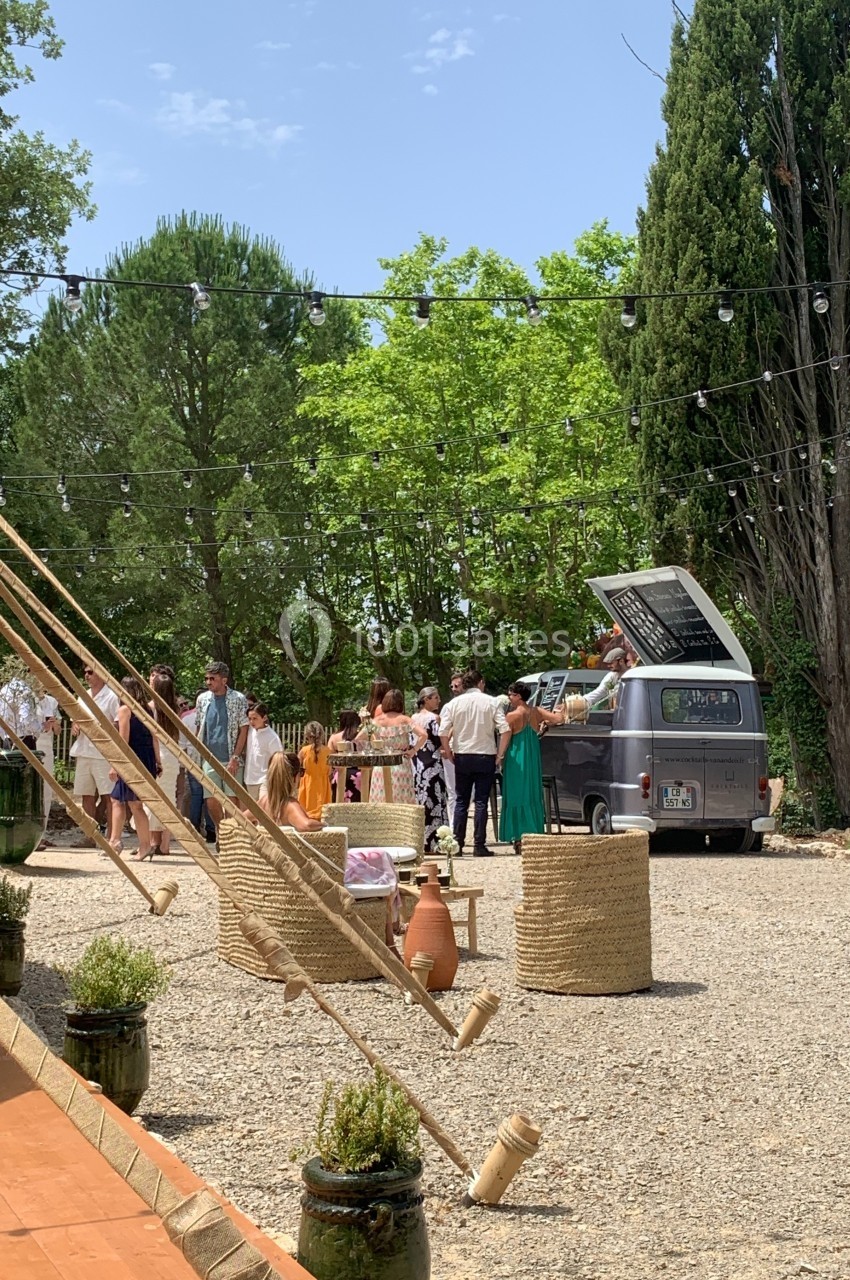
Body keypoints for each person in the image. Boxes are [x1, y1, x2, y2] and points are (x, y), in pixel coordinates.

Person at [439, 669, 509, 857]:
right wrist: (500, 755)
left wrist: (448, 750)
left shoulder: (454, 703)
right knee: (480, 801)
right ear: (481, 683)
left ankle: (458, 844)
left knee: (461, 800)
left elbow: (443, 731)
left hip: (462, 754)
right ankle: (479, 843)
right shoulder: (492, 702)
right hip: (485, 754)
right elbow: (505, 729)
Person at [497, 681, 564, 854]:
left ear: (518, 696)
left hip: (516, 759)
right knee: (531, 793)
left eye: (511, 694)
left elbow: (505, 738)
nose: (509, 698)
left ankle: (518, 836)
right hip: (532, 758)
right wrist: (560, 710)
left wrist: (499, 757)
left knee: (515, 794)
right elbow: (558, 719)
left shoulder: (511, 716)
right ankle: (532, 832)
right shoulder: (536, 712)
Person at [108, 676, 161, 861]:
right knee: (123, 800)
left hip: (133, 759)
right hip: (146, 758)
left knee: (131, 803)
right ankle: (117, 841)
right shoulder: (148, 709)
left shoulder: (125, 710)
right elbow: (154, 736)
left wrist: (115, 765)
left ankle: (121, 843)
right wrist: (157, 761)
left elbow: (123, 741)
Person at [194, 662, 249, 837]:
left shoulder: (238, 699)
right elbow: (199, 727)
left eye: (213, 678)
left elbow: (244, 728)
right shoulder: (203, 699)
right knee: (210, 799)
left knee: (231, 799)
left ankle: (231, 835)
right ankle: (221, 829)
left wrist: (235, 756)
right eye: (207, 678)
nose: (209, 682)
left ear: (224, 680)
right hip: (209, 758)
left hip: (230, 757)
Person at [70, 665, 120, 829]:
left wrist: (101, 727)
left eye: (90, 672)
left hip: (103, 753)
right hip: (84, 751)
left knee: (109, 796)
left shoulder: (112, 696)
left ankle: (111, 836)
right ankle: (89, 836)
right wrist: (75, 726)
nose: (86, 675)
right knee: (86, 795)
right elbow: (75, 721)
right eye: (84, 672)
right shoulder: (82, 696)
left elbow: (119, 724)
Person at [357, 689, 425, 804]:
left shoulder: (377, 721)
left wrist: (374, 747)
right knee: (401, 796)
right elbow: (423, 734)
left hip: (381, 762)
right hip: (400, 761)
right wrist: (414, 750)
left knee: (381, 795)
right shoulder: (405, 720)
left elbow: (359, 738)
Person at [146, 672, 181, 856]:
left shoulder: (151, 708)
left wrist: (156, 761)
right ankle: (165, 844)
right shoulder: (174, 709)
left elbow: (153, 738)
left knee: (153, 800)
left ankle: (153, 842)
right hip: (172, 759)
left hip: (158, 756)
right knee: (169, 801)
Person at [411, 686, 448, 852]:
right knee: (435, 800)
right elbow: (439, 739)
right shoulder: (434, 718)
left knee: (422, 799)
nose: (438, 701)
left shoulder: (413, 718)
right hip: (432, 763)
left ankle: (422, 840)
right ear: (426, 699)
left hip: (418, 763)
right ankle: (436, 841)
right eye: (435, 698)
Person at [180, 692, 216, 842]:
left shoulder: (186, 717)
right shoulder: (212, 715)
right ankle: (211, 830)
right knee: (209, 795)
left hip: (192, 759)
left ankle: (194, 827)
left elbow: (182, 743)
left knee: (196, 796)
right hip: (208, 758)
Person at [262, 751, 323, 830]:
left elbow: (243, 818)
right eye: (301, 772)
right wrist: (324, 825)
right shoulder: (290, 805)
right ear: (294, 777)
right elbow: (307, 825)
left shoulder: (264, 801)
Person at [244, 703, 283, 799]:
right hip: (249, 778)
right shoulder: (250, 731)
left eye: (255, 718)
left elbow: (278, 760)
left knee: (264, 806)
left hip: (265, 779)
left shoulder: (272, 737)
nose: (252, 722)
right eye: (250, 719)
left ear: (264, 717)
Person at [35, 685, 60, 828]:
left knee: (46, 789)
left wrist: (54, 724)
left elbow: (58, 731)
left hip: (46, 747)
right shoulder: (27, 699)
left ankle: (42, 829)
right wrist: (42, 726)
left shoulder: (52, 702)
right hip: (32, 744)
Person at [442, 671, 464, 822]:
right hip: (451, 750)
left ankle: (457, 821)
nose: (454, 688)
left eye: (457, 685)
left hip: (469, 750)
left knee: (471, 792)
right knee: (453, 791)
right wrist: (446, 749)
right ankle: (452, 827)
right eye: (452, 686)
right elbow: (444, 730)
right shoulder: (448, 706)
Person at [298, 721, 332, 818]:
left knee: (307, 812)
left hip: (308, 784)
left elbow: (296, 767)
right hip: (323, 785)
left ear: (307, 735)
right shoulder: (327, 751)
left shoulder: (304, 751)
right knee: (322, 813)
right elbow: (330, 771)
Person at [327, 708, 362, 802]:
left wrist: (329, 776)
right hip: (358, 775)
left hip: (340, 774)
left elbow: (329, 759)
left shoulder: (334, 737)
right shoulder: (361, 737)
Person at [0, 675, 41, 748]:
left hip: (8, 739)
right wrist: (38, 729)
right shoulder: (25, 690)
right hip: (25, 739)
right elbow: (26, 718)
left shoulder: (4, 691)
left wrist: (5, 736)